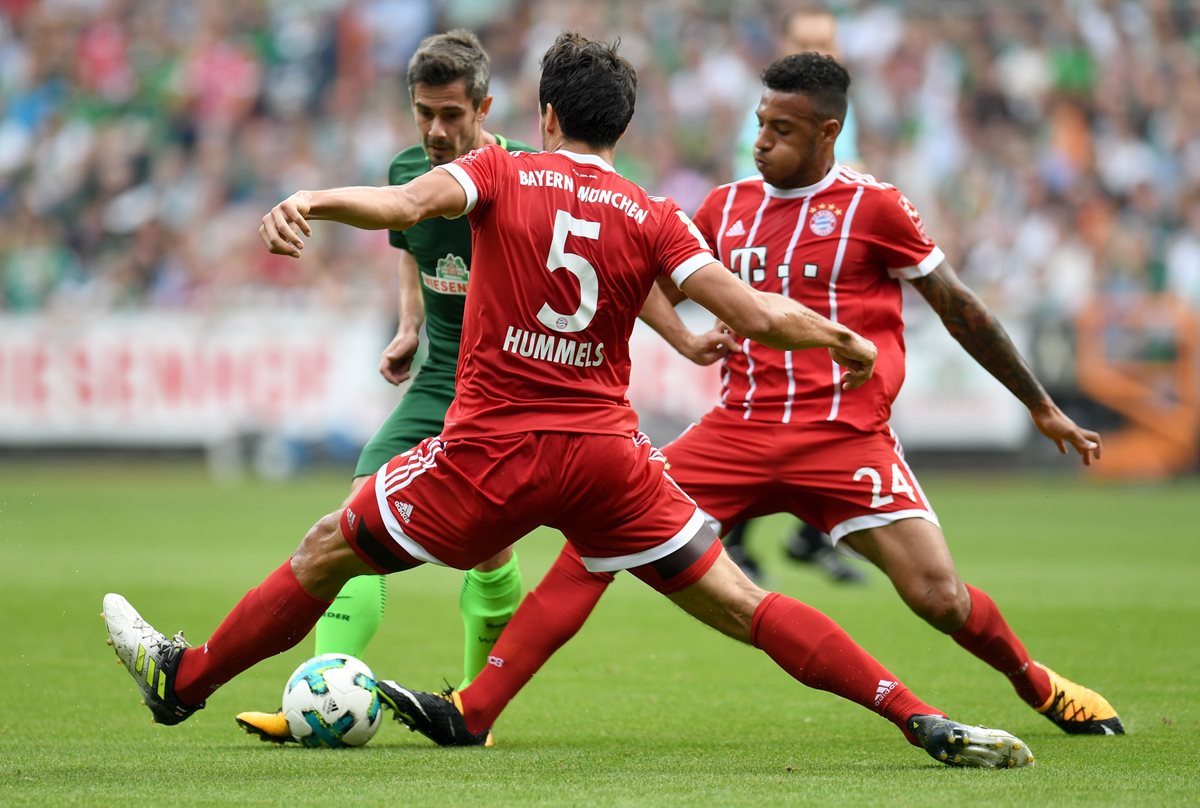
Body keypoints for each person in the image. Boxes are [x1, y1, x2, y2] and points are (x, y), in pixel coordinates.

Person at [104, 32, 1033, 769]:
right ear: (619, 128)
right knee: (744, 602)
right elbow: (750, 311)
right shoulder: (654, 214)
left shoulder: (499, 171)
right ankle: (920, 717)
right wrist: (836, 337)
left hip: (491, 455)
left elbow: (405, 208)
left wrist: (308, 198)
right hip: (607, 464)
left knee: (326, 548)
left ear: (544, 114)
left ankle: (183, 681)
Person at [385, 52, 1121, 751]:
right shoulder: (725, 206)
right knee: (592, 547)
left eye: (782, 130)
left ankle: (1035, 683)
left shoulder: (875, 207)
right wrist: (675, 337)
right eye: (760, 124)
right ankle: (474, 710)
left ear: (828, 132)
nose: (762, 142)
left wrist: (1038, 403)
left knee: (940, 598)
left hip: (843, 436)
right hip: (736, 432)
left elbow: (959, 306)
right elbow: (631, 272)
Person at [233, 28, 733, 745]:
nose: (436, 131)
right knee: (350, 522)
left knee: (490, 554)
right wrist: (409, 325)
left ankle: (474, 708)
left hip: (507, 387)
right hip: (441, 373)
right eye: (423, 113)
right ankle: (314, 702)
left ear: (485, 108)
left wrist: (682, 336)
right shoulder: (407, 170)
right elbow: (410, 243)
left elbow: (617, 262)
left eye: (451, 115)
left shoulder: (526, 169)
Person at [726, 1, 865, 584]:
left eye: (827, 41)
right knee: (764, 405)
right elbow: (758, 196)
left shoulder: (841, 111)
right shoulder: (766, 117)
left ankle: (810, 534)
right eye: (808, 41)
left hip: (818, 278)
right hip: (772, 277)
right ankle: (755, 538)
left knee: (835, 399)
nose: (820, 51)